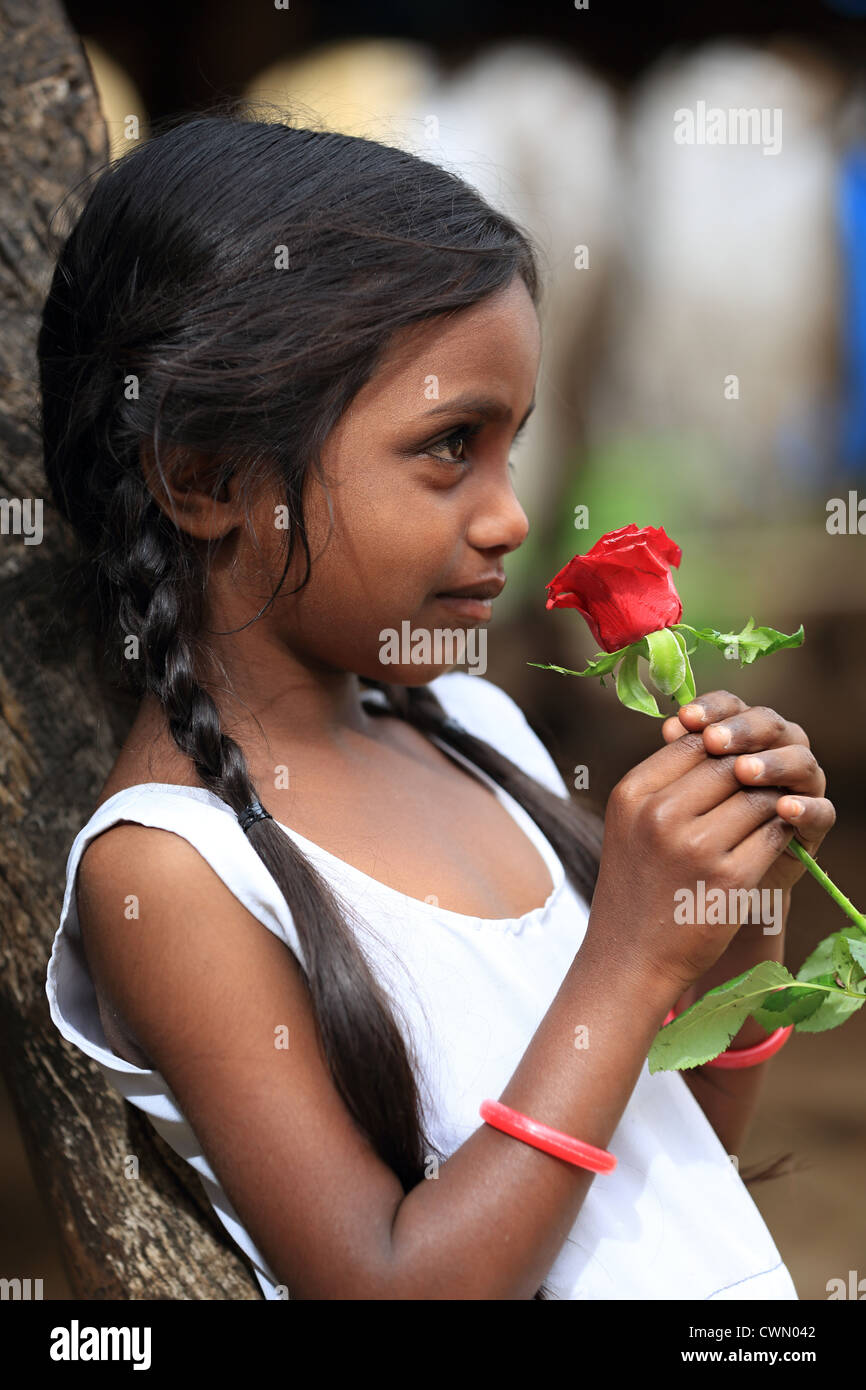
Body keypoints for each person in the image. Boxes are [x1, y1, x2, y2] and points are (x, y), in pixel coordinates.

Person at [39, 109, 833, 1300]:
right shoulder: (172, 871)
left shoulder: (475, 728)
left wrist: (736, 916)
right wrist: (621, 964)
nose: (510, 516)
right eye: (448, 446)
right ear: (207, 478)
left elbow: (661, 1171)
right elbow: (394, 1286)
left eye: (510, 447)